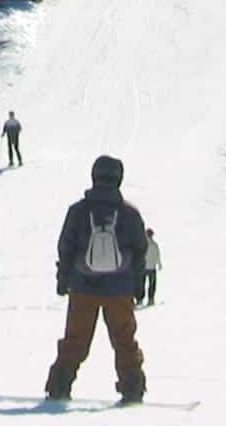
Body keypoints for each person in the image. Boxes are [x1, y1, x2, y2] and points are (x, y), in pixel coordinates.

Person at [44, 155, 148, 403]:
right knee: (124, 340)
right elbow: (140, 251)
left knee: (75, 339)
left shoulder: (78, 211)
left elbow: (66, 247)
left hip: (83, 286)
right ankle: (132, 389)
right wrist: (139, 285)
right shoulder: (129, 214)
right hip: (120, 288)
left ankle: (59, 387)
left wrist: (63, 279)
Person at [141, 227, 162, 306]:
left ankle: (140, 299)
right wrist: (159, 264)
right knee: (152, 284)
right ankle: (151, 299)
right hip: (152, 267)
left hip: (143, 267)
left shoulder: (142, 244)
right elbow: (157, 255)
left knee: (142, 284)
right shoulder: (154, 244)